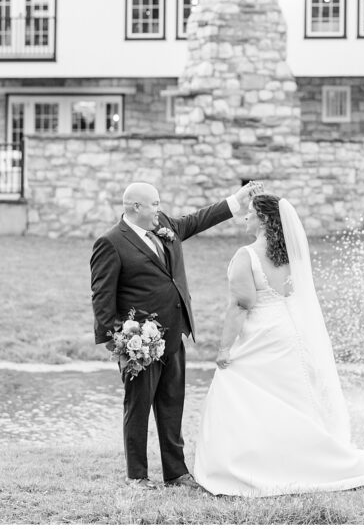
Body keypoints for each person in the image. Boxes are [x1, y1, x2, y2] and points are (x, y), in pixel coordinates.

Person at [193, 192, 364, 496]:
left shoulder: (246, 256)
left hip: (260, 335)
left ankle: (251, 466)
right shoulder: (290, 255)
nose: (246, 217)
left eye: (250, 213)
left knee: (235, 385)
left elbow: (241, 304)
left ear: (263, 220)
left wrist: (224, 349)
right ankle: (306, 460)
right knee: (293, 398)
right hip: (288, 334)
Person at [90, 179, 260, 490]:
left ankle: (176, 473)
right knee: (138, 407)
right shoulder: (111, 242)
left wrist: (236, 200)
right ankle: (137, 476)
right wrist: (119, 341)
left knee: (172, 404)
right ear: (135, 207)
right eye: (154, 204)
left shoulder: (164, 225)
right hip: (139, 343)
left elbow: (197, 220)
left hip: (174, 332)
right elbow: (102, 296)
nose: (159, 208)